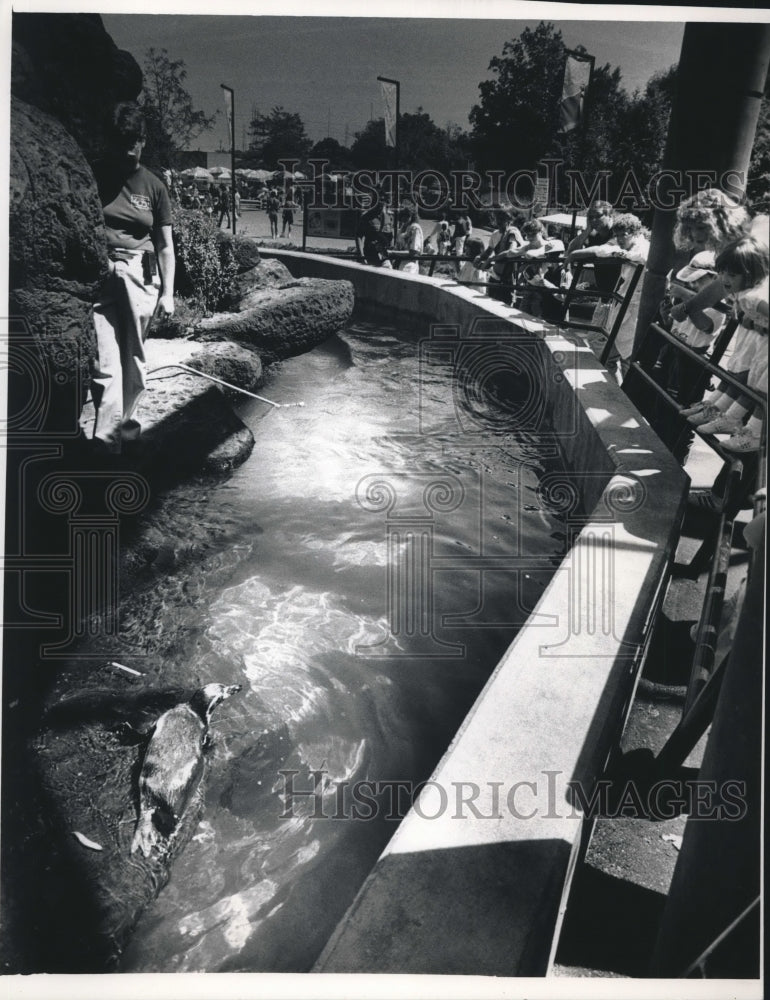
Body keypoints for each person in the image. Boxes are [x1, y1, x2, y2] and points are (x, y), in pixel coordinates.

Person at [90, 102, 175, 456]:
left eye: (135, 141)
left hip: (141, 275)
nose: (129, 149)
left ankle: (128, 431)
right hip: (103, 276)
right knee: (105, 362)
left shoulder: (154, 186)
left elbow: (166, 246)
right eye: (122, 140)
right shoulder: (95, 176)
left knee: (134, 361)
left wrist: (168, 293)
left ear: (142, 141)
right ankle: (105, 445)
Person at [685, 236, 768, 453]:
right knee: (755, 382)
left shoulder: (755, 297)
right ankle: (730, 417)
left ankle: (754, 433)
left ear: (750, 275)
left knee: (763, 389)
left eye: (731, 274)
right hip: (763, 343)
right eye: (722, 272)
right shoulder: (744, 293)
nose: (723, 278)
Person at [392, 205, 424, 274]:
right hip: (398, 264)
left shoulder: (415, 228)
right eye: (403, 215)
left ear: (412, 216)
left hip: (409, 266)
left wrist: (393, 253)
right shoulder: (403, 228)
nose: (404, 217)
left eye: (407, 215)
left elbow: (413, 253)